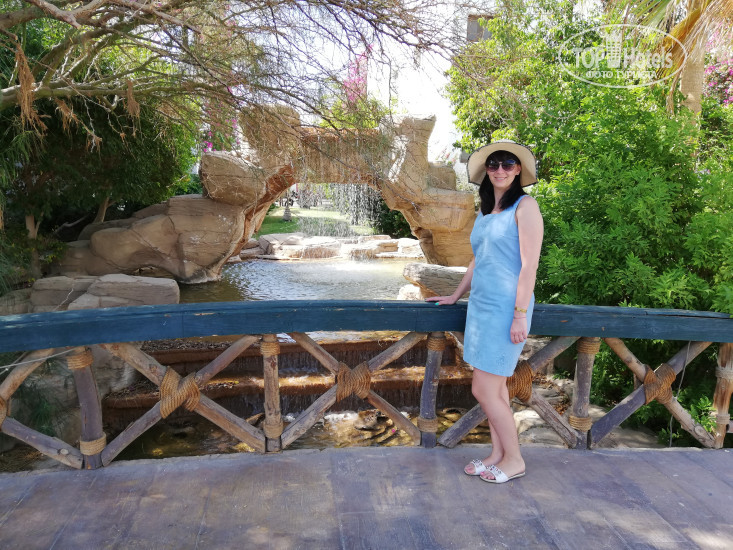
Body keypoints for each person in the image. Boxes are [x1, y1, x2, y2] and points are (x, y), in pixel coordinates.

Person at [426, 140, 543, 484]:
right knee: (497, 389)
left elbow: (529, 266)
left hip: (507, 309)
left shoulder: (526, 206)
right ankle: (497, 455)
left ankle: (515, 460)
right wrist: (455, 295)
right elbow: (478, 260)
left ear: (518, 170)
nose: (500, 170)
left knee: (483, 390)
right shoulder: (486, 211)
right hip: (480, 308)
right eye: (493, 164)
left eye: (507, 164)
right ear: (486, 171)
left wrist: (519, 314)